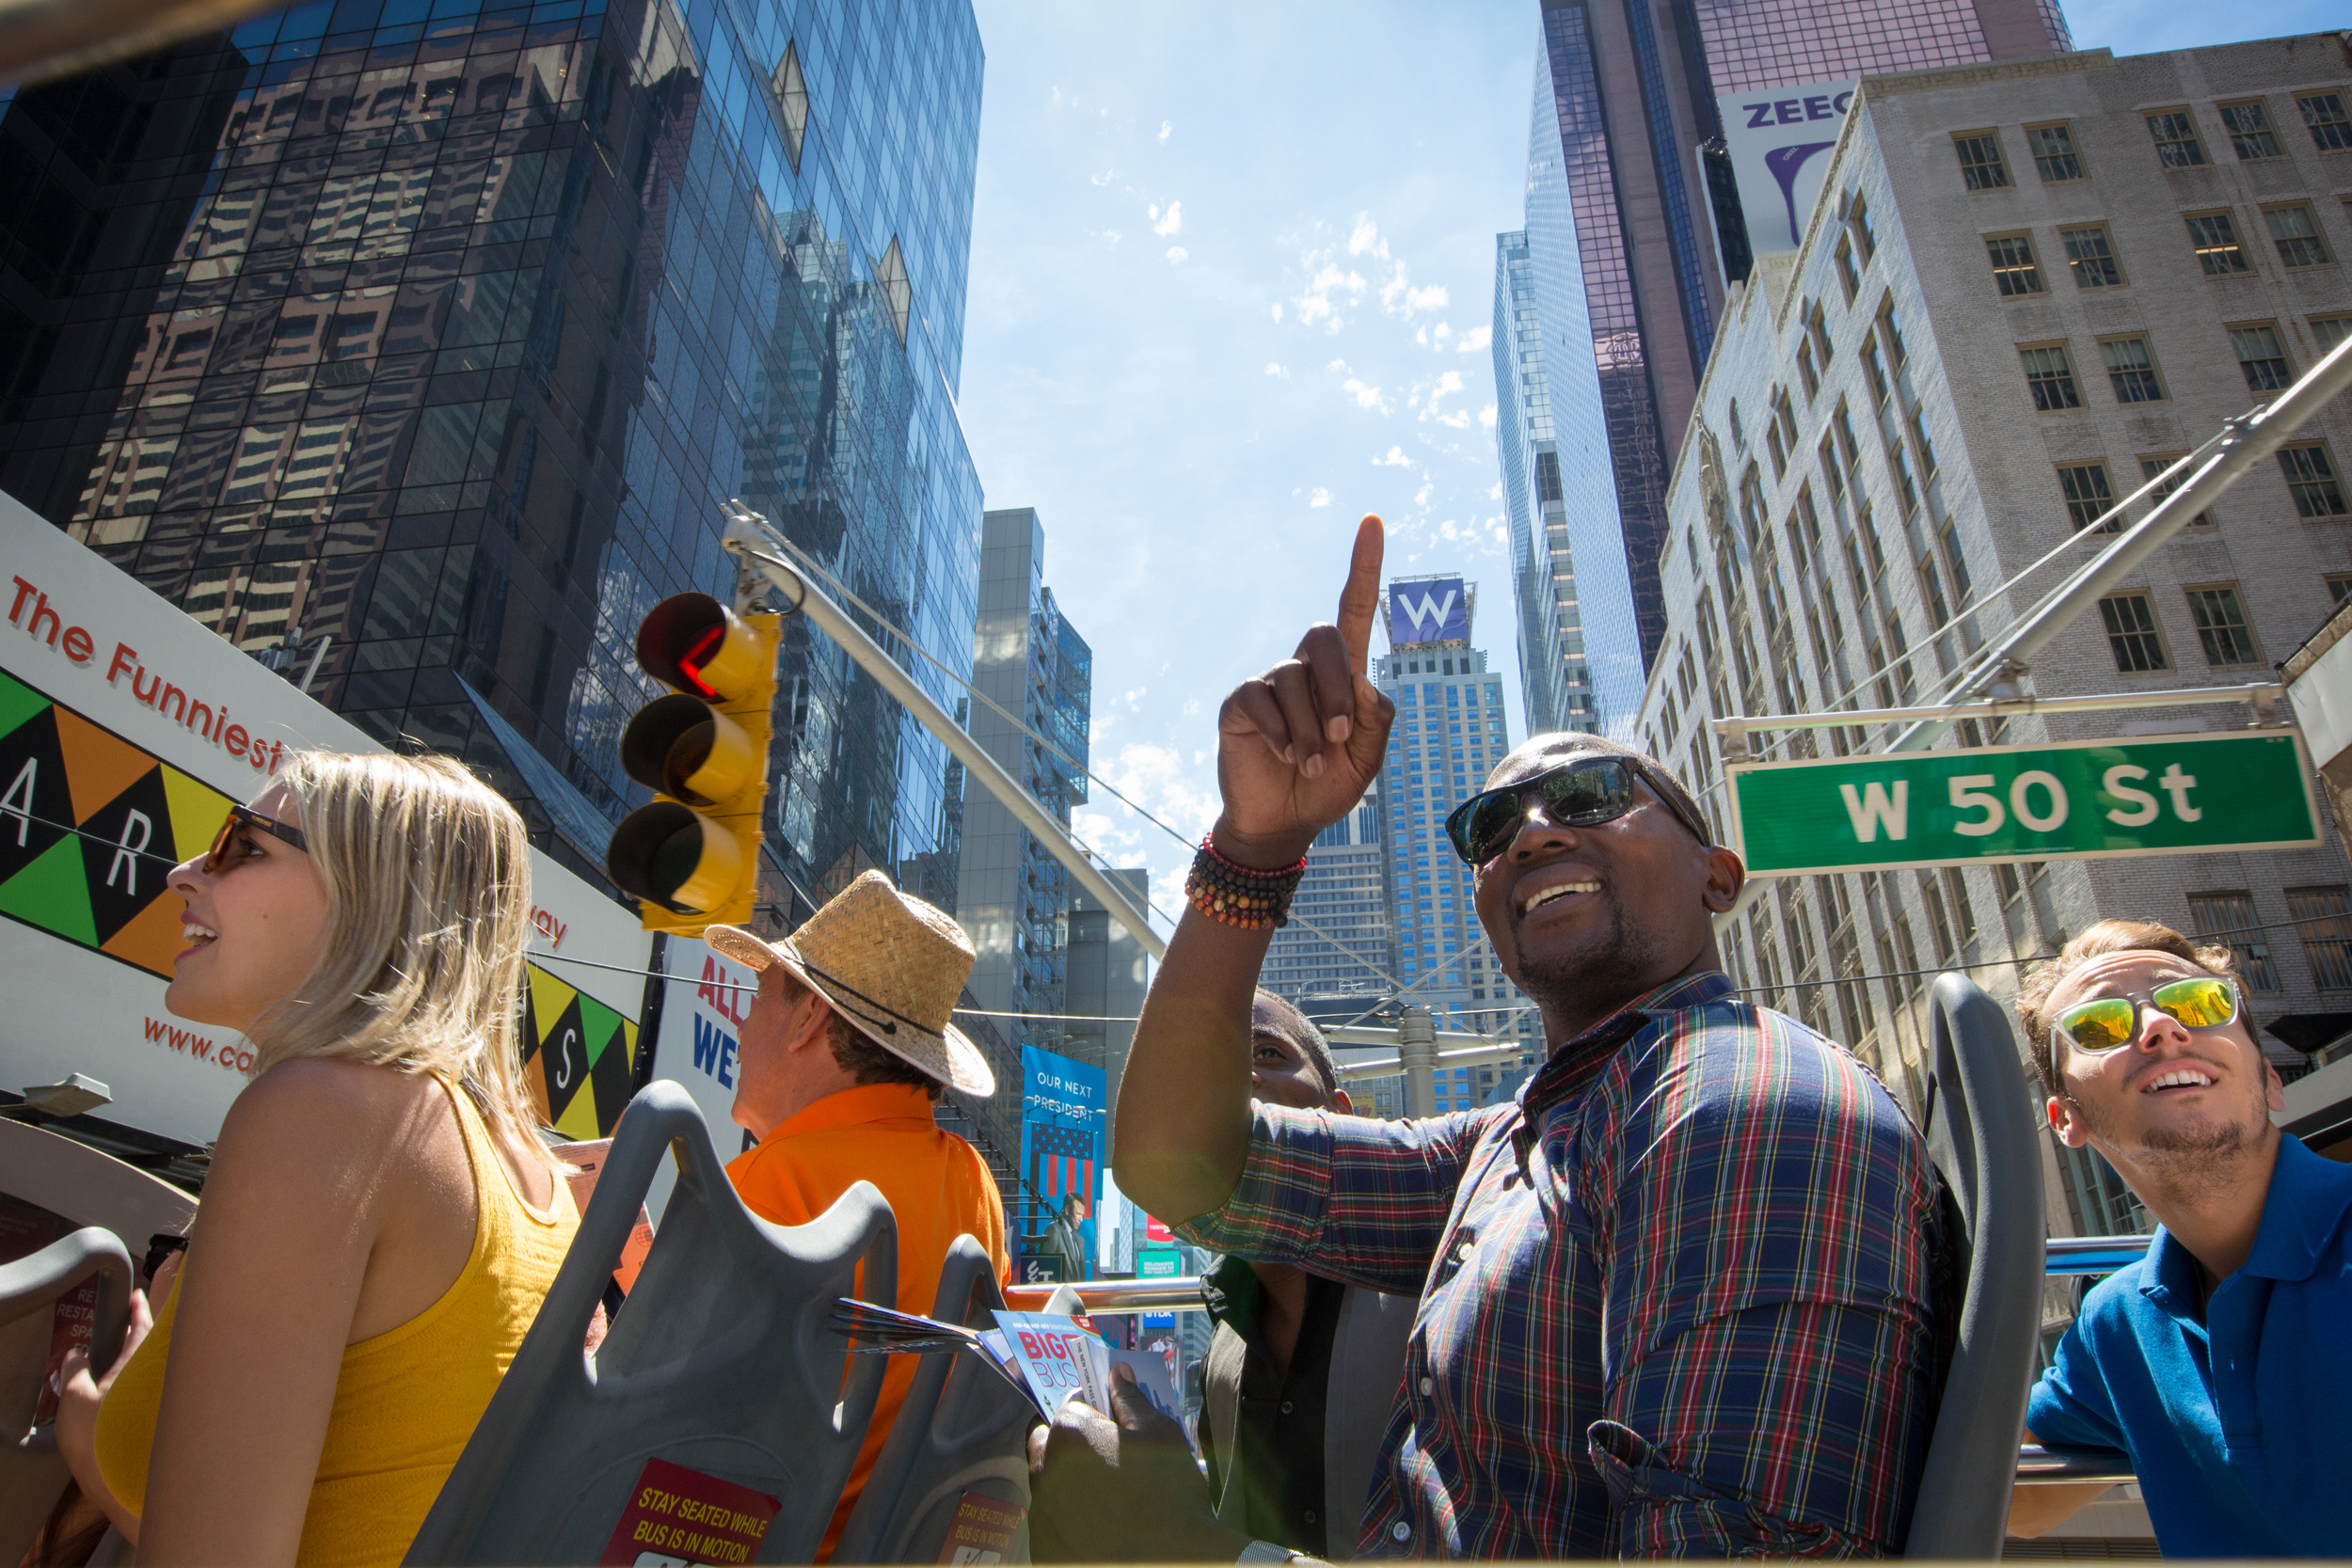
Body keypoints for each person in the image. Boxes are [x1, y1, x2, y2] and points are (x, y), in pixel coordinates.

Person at [1032, 516, 1953, 1559]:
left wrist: (1190, 1554)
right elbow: (1178, 1165)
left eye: (1591, 794)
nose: (1533, 830)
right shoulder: (1521, 1138)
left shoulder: (1738, 1099)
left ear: (1716, 874)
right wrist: (1256, 845)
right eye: (1490, 824)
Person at [56, 752, 579, 1566]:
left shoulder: (320, 1113)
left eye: (243, 846)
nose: (184, 874)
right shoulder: (534, 1177)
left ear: (375, 897)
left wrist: (88, 1437)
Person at [2005, 920, 2350, 1555]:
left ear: (2270, 1078)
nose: (2162, 1027)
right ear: (2065, 1118)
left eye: (2199, 1004)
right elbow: (2014, 1497)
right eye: (2100, 1025)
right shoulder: (2116, 1323)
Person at [702, 868, 1009, 1561]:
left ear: (808, 1017)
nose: (741, 1024)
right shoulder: (975, 1184)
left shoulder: (767, 1185)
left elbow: (668, 1427)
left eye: (756, 999)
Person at [1196, 992, 1414, 1560]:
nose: (1237, 1075)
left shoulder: (1429, 1302)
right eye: (1213, 1063)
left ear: (1342, 1117)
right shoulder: (1221, 1343)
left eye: (1268, 1053)